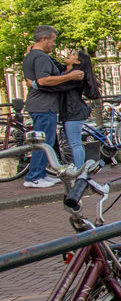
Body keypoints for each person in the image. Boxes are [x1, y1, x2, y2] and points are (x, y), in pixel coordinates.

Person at [21, 25, 83, 187]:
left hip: (40, 104)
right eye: (53, 41)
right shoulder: (40, 58)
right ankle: (34, 177)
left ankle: (40, 174)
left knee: (46, 141)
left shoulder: (32, 56)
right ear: (44, 39)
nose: (54, 44)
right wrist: (70, 77)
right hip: (43, 105)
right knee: (44, 143)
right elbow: (43, 80)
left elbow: (38, 81)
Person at [59, 49, 97, 168]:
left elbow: (57, 86)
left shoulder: (76, 75)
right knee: (73, 143)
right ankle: (79, 168)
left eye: (73, 55)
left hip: (74, 111)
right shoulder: (68, 73)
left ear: (77, 61)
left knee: (75, 143)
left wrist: (38, 84)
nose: (69, 55)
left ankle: (80, 170)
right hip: (69, 111)